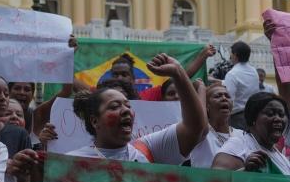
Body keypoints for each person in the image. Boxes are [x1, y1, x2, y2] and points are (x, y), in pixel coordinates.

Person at [66, 54, 206, 163]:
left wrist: (177, 72)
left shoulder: (146, 150)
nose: (126, 110)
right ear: (95, 121)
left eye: (128, 105)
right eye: (114, 106)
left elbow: (195, 127)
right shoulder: (72, 162)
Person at [211, 92, 290, 175]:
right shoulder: (238, 145)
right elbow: (215, 181)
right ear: (252, 118)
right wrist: (245, 171)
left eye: (282, 115)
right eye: (270, 114)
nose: (278, 119)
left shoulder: (283, 160)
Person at [108, 44, 215, 101]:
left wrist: (203, 56)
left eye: (124, 74)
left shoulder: (148, 95)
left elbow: (181, 78)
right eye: (115, 75)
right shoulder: (101, 97)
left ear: (133, 78)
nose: (119, 78)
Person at [190, 83, 241, 168]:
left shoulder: (242, 135)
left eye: (228, 96)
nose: (224, 98)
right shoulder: (199, 133)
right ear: (206, 106)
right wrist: (201, 89)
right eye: (218, 96)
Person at [223, 41, 260, 130]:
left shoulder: (232, 74)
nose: (230, 57)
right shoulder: (253, 71)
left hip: (237, 117)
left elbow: (229, 99)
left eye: (231, 54)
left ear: (235, 55)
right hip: (252, 114)